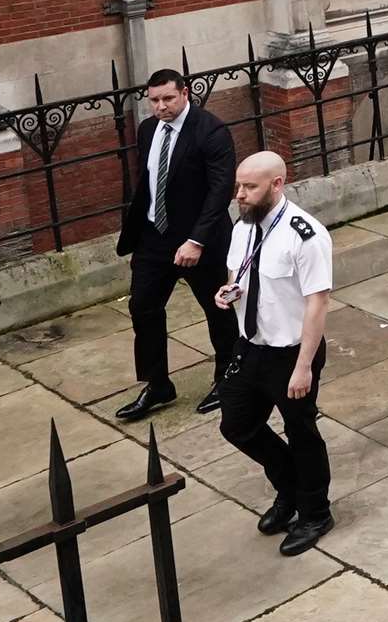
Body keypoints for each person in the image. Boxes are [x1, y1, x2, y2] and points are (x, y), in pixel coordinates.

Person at [214, 151, 334, 556]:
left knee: (301, 431)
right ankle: (290, 489)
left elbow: (318, 303)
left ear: (277, 184)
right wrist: (230, 291)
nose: (240, 195)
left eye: (249, 187)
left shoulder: (306, 235)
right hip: (251, 346)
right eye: (238, 186)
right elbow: (239, 271)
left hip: (291, 353)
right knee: (236, 423)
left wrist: (303, 368)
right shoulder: (243, 226)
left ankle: (315, 512)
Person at [113, 69, 239, 420]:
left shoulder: (210, 131)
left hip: (202, 241)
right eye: (154, 100)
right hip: (155, 239)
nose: (161, 107)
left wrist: (196, 240)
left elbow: (219, 191)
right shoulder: (148, 130)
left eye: (168, 98)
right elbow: (150, 183)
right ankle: (157, 384)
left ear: (185, 93)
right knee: (143, 306)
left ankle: (227, 378)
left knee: (219, 311)